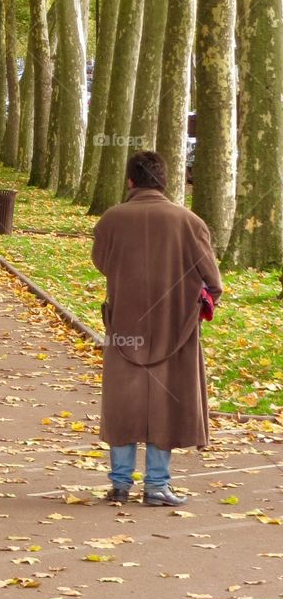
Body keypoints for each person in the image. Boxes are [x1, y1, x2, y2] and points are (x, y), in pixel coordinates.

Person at [91, 150, 222, 507]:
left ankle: (119, 484)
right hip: (174, 325)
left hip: (125, 324)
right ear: (165, 180)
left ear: (130, 181)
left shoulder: (111, 219)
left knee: (123, 401)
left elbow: (103, 262)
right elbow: (213, 280)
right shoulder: (189, 221)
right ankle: (157, 485)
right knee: (167, 399)